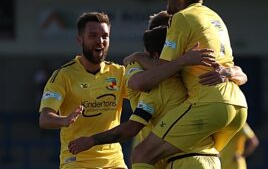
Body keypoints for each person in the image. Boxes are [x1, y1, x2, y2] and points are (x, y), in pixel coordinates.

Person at [68, 11, 248, 169]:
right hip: (204, 157)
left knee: (140, 154)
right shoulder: (141, 66)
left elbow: (131, 127)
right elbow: (139, 82)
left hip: (176, 159)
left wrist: (227, 71)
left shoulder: (180, 71)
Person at [122, 0, 248, 169]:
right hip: (238, 106)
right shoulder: (214, 17)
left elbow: (162, 69)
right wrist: (229, 72)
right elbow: (235, 69)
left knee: (142, 153)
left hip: (209, 104)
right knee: (202, 151)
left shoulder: (182, 18)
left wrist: (138, 57)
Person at [39, 12, 128, 169]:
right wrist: (64, 120)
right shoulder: (63, 75)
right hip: (77, 161)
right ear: (80, 39)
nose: (100, 41)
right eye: (93, 35)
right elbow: (45, 119)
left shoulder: (119, 73)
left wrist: (143, 59)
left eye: (105, 36)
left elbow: (146, 91)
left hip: (114, 161)